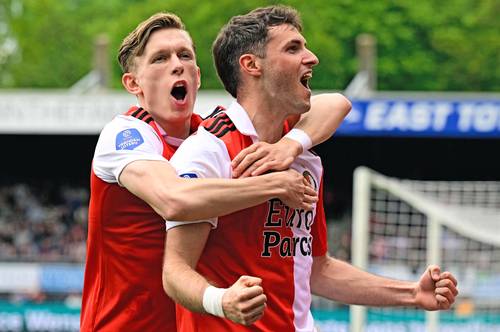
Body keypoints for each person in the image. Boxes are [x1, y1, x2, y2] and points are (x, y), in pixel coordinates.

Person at [162, 5, 459, 331]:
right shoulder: (210, 150)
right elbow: (175, 271)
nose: (312, 57)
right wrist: (221, 301)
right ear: (251, 65)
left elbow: (316, 269)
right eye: (293, 48)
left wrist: (412, 294)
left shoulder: (303, 155)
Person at [80, 12, 351, 332]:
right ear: (133, 83)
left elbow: (334, 104)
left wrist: (289, 145)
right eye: (160, 59)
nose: (176, 64)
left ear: (197, 75)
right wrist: (274, 184)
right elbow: (174, 199)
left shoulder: (209, 135)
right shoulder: (126, 135)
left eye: (184, 55)